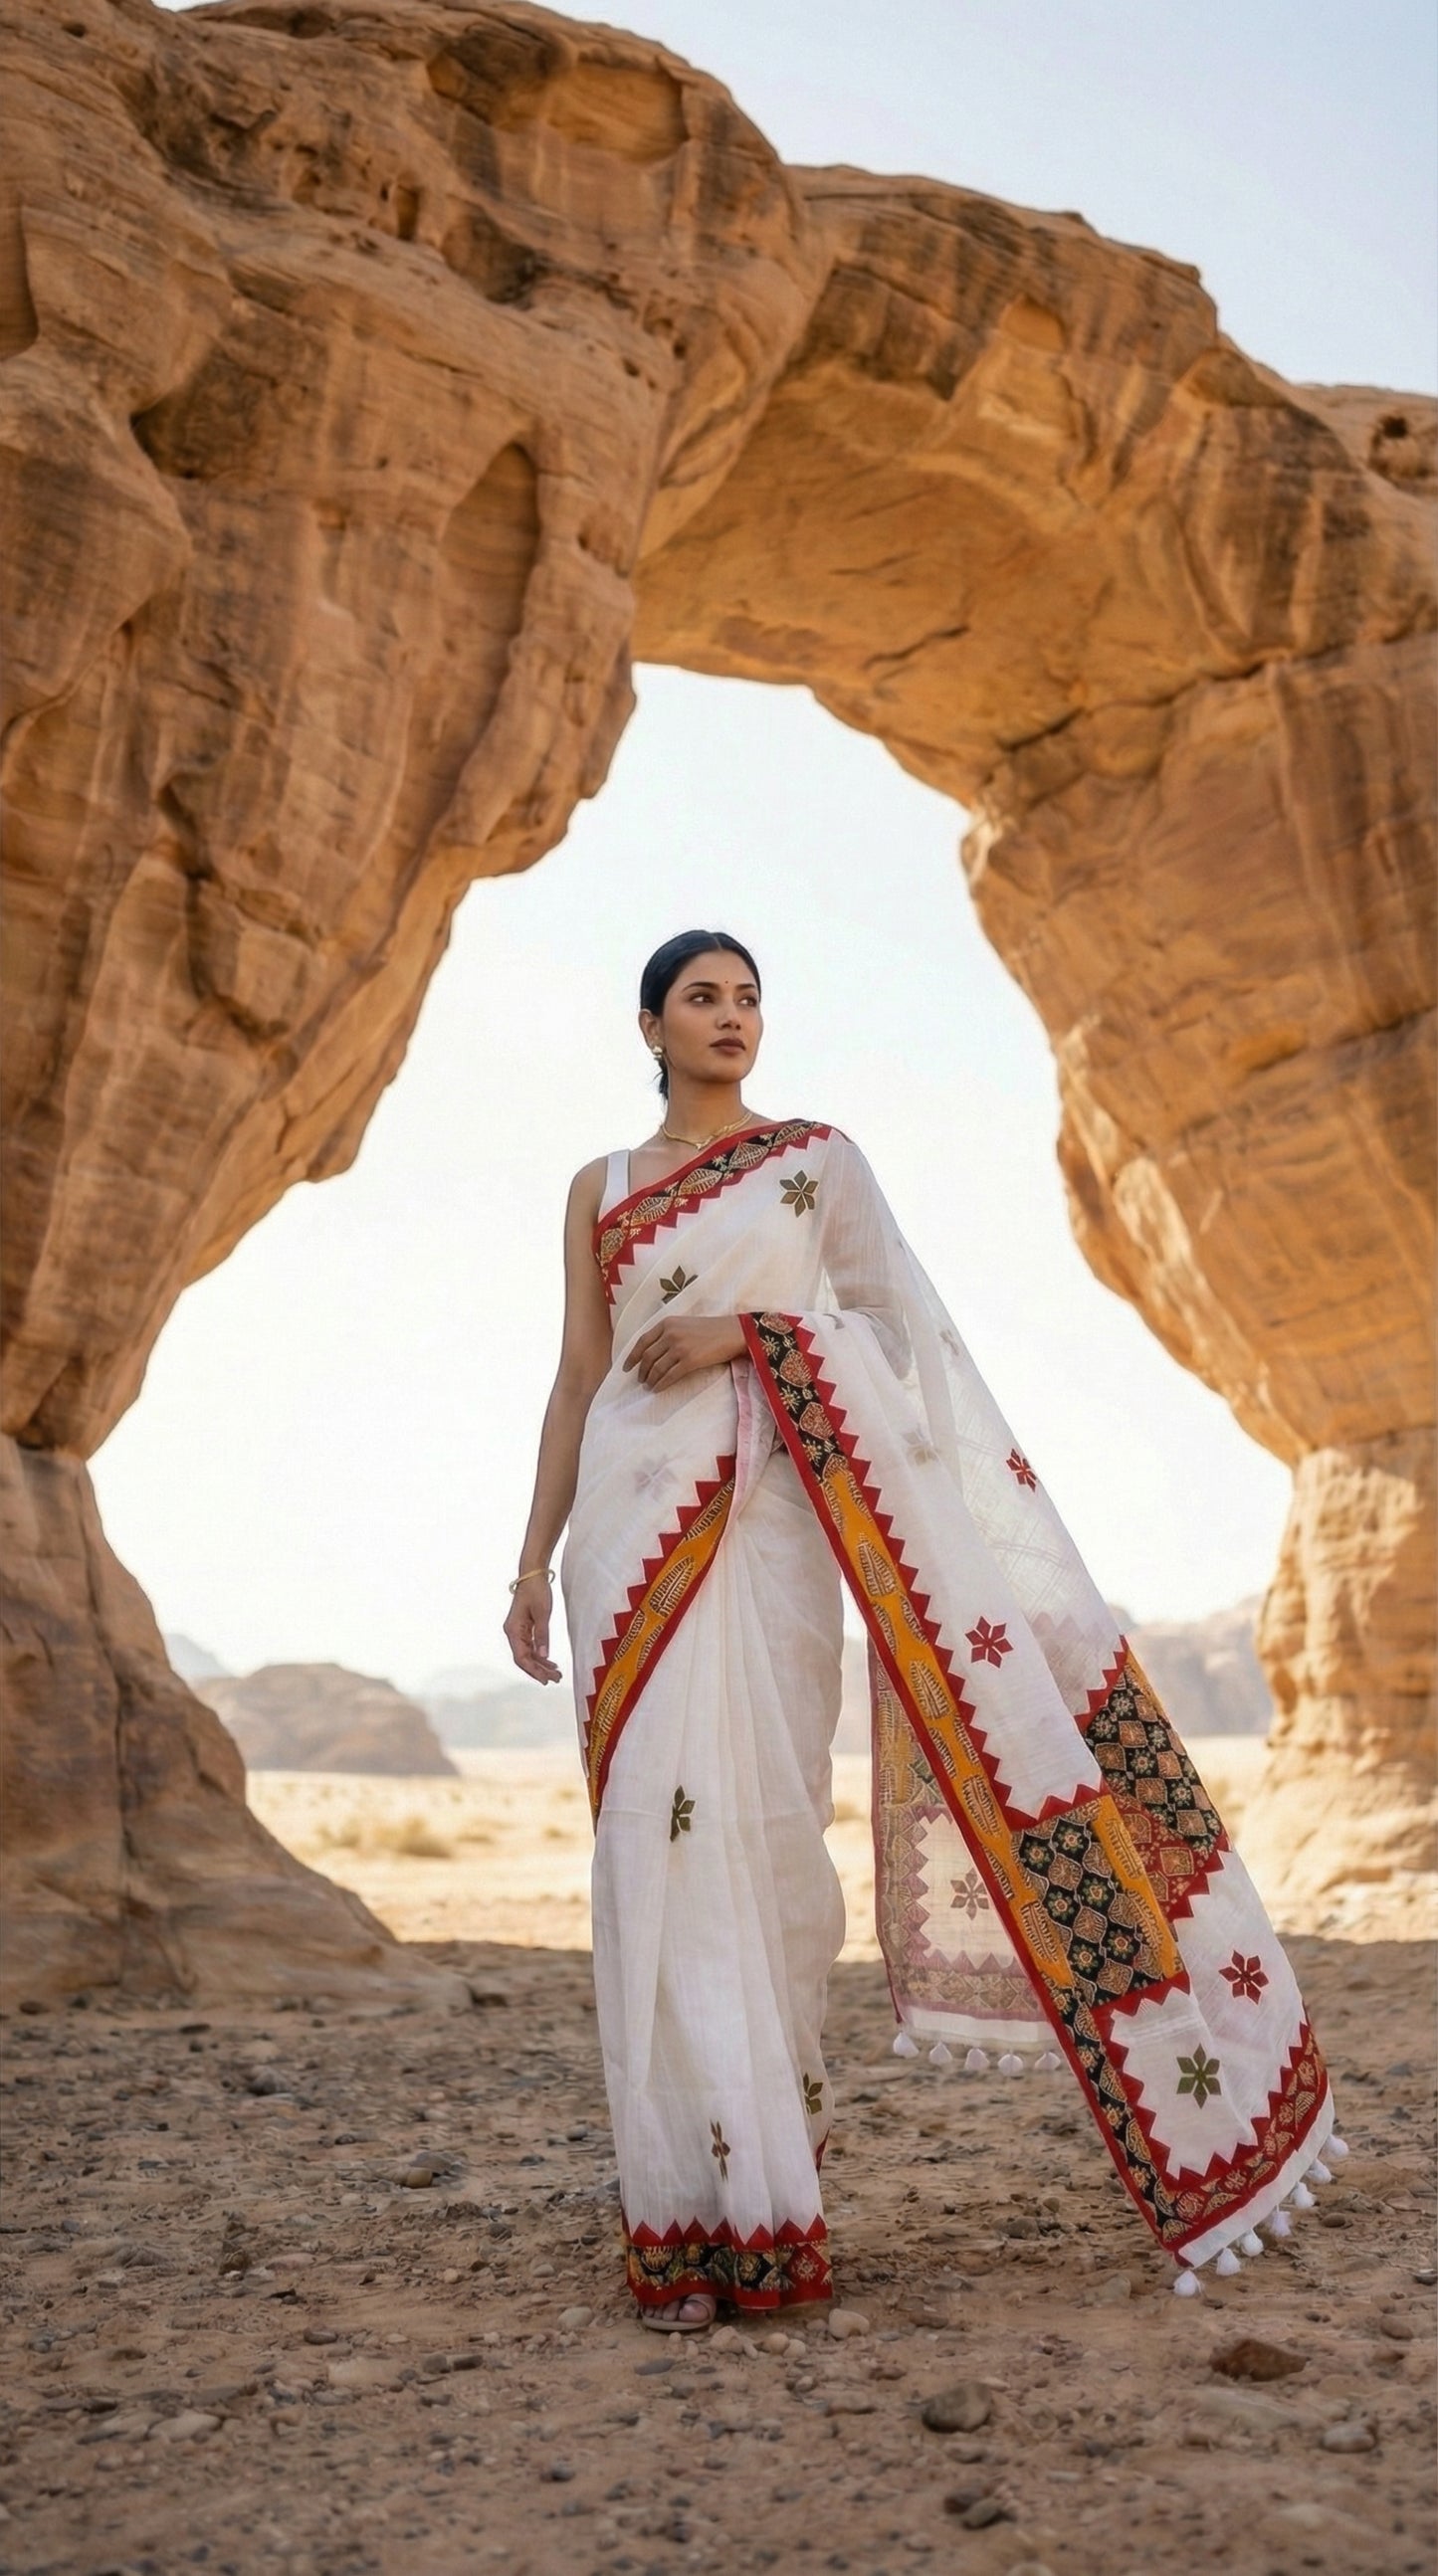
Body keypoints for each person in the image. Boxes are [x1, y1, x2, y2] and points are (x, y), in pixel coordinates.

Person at [505, 928, 1341, 2332]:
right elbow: (576, 1374)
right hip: (624, 1544)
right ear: (648, 1023)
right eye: (702, 997)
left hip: (763, 1528)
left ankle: (764, 2205)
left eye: (749, 996)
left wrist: (749, 1335)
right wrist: (532, 1558)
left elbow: (896, 1350)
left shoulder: (814, 1160)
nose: (731, 1017)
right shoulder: (598, 1186)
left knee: (760, 1842)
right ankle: (682, 2218)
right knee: (649, 1860)